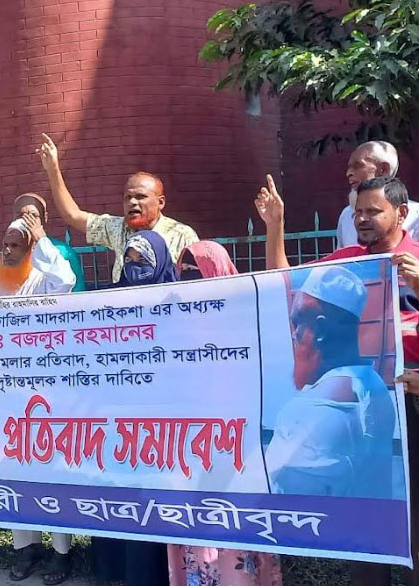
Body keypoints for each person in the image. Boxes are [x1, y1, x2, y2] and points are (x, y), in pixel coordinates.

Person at [258, 174, 419, 584]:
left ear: (401, 213)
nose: (362, 219)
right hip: (359, 406)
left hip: (413, 402)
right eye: (357, 213)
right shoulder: (347, 261)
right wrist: (275, 226)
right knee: (365, 519)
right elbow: (284, 283)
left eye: (373, 211)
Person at [166, 241, 282, 586]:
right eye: (184, 272)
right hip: (189, 451)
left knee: (235, 536)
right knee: (197, 530)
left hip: (237, 452)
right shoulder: (173, 328)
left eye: (197, 272)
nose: (189, 280)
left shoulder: (246, 327)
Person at [0, 217, 74, 584]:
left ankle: (61, 552)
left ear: (31, 250)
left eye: (16, 245)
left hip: (46, 401)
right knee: (15, 473)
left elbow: (66, 280)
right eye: (5, 245)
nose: (8, 251)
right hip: (8, 402)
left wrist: (41, 238)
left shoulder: (44, 282)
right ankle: (26, 547)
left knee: (49, 475)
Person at [90, 230, 175, 586]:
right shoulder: (110, 302)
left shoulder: (178, 303)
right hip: (116, 420)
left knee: (151, 499)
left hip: (160, 424)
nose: (135, 266)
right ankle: (113, 571)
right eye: (129, 259)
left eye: (144, 260)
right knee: (115, 492)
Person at [36, 133, 198, 283]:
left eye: (140, 197)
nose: (132, 202)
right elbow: (72, 215)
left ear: (160, 202)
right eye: (128, 197)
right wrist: (53, 169)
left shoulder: (182, 236)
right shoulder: (117, 228)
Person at [336, 141, 419, 247]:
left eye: (357, 166)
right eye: (358, 212)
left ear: (383, 169)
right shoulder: (346, 216)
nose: (349, 173)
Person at [13, 193, 86, 291]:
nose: (27, 221)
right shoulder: (10, 251)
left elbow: (75, 290)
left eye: (33, 216)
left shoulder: (62, 251)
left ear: (45, 218)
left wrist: (41, 241)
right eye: (20, 216)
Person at [0, 216, 76, 297]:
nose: (6, 251)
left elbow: (65, 281)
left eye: (14, 245)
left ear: (31, 248)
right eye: (5, 245)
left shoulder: (42, 281)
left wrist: (42, 240)